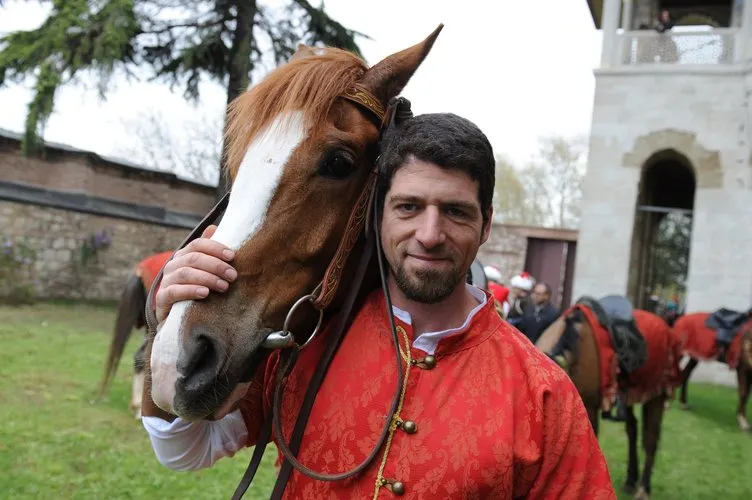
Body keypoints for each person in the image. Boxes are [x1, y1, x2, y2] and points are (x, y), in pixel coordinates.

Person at [142, 113, 616, 498]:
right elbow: (181, 451)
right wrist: (167, 324)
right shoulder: (305, 344)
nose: (429, 235)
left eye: (455, 211)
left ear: (486, 223)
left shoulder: (544, 393)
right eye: (408, 207)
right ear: (379, 213)